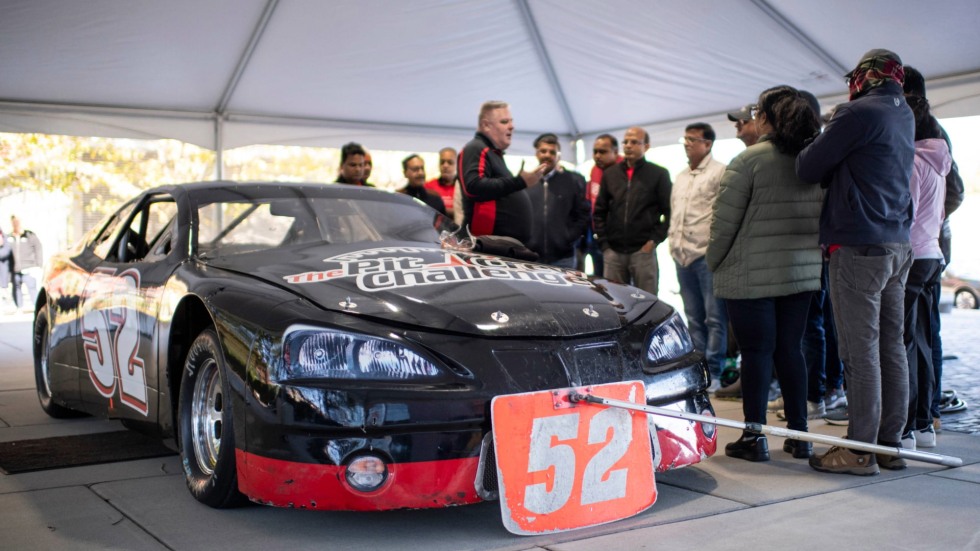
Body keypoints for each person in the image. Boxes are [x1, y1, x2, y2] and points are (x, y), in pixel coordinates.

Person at [798, 49, 915, 476]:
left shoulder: (856, 114)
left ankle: (859, 450)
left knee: (860, 352)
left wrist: (828, 129)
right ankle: (889, 443)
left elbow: (807, 167)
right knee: (890, 348)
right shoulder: (902, 113)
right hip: (896, 244)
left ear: (864, 77)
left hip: (859, 245)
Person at [707, 86, 823, 462]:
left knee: (756, 353)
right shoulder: (815, 159)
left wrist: (714, 262)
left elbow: (723, 225)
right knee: (791, 350)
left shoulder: (748, 161)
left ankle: (754, 438)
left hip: (751, 275)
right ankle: (800, 436)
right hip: (801, 272)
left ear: (767, 118)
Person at [903, 66, 965, 430]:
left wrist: (929, 218)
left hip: (922, 247)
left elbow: (953, 191)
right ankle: (926, 414)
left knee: (919, 335)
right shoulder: (929, 132)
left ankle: (925, 413)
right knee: (922, 334)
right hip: (930, 247)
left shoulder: (927, 133)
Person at [900, 95, 950, 451]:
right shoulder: (939, 159)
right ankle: (922, 425)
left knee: (900, 345)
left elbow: (907, 212)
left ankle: (904, 428)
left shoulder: (914, 161)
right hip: (932, 254)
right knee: (921, 343)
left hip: (913, 256)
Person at [669, 122, 728, 390]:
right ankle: (698, 370)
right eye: (686, 139)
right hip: (681, 255)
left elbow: (722, 215)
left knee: (714, 318)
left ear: (708, 144)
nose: (687, 143)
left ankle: (714, 372)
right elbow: (674, 214)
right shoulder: (681, 176)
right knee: (692, 317)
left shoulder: (719, 172)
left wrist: (715, 249)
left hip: (706, 255)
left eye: (693, 139)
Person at [593, 127, 671, 294]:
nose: (628, 145)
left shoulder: (658, 174)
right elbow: (599, 211)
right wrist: (604, 244)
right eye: (626, 142)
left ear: (647, 146)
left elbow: (670, 212)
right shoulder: (610, 174)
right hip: (613, 252)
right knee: (615, 303)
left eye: (634, 142)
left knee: (647, 303)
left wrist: (654, 241)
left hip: (643, 251)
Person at [458, 101, 547, 244]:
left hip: (498, 245)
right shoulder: (476, 148)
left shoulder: (493, 153)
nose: (512, 126)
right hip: (487, 246)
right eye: (504, 121)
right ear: (486, 125)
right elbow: (473, 188)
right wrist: (520, 181)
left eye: (511, 121)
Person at [525, 133, 590, 268]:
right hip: (531, 257)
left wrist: (568, 238)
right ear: (536, 153)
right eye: (543, 151)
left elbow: (583, 214)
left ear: (558, 156)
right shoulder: (527, 182)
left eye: (552, 152)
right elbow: (519, 216)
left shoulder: (571, 181)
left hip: (563, 257)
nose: (547, 155)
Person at [577, 134, 621, 276]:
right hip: (599, 238)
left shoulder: (625, 171)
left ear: (615, 152)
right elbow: (591, 203)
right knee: (601, 283)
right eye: (595, 151)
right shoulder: (595, 170)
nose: (597, 156)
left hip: (620, 241)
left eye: (602, 152)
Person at [8, 215, 44, 311]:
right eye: (14, 222)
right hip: (15, 269)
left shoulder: (29, 235)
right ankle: (19, 307)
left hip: (28, 268)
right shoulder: (9, 237)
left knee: (32, 288)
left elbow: (38, 248)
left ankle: (38, 308)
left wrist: (38, 265)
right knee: (16, 289)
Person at [425, 147, 458, 219]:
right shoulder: (428, 186)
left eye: (450, 162)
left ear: (456, 164)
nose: (445, 166)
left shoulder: (463, 188)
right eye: (442, 162)